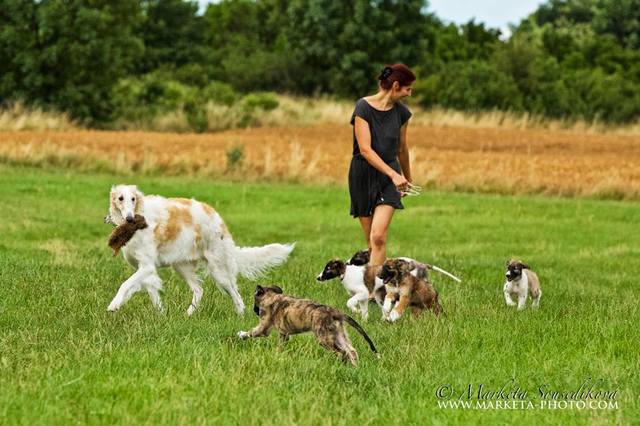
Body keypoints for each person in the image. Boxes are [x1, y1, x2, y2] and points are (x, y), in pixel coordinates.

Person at [348, 63, 416, 267]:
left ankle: (378, 292)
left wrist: (407, 178)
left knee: (378, 237)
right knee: (370, 240)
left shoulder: (402, 113)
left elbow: (402, 148)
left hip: (389, 178)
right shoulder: (363, 108)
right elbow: (366, 150)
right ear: (396, 86)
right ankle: (374, 287)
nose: (409, 94)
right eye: (408, 89)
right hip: (362, 174)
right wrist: (394, 175)